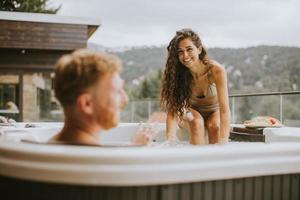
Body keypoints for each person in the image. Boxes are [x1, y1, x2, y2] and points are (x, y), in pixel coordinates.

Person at [49, 49, 151, 146]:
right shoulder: (102, 161)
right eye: (117, 91)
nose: (125, 99)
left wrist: (134, 146)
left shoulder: (50, 146)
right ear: (87, 104)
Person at [160, 28, 231, 145]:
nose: (185, 56)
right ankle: (196, 161)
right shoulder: (178, 74)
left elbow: (224, 110)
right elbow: (172, 112)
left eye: (189, 49)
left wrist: (223, 142)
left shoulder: (216, 70)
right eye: (180, 52)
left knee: (214, 126)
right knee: (196, 122)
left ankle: (213, 160)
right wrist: (170, 140)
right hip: (190, 112)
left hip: (215, 111)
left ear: (199, 49)